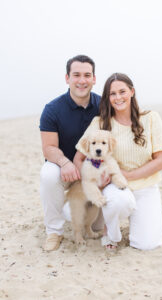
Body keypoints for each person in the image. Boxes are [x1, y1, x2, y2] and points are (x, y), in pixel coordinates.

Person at [73, 73, 162, 250]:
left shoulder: (150, 118)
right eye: (112, 94)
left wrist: (128, 175)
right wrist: (95, 180)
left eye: (122, 91)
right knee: (118, 202)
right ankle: (109, 231)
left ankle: (128, 221)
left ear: (132, 92)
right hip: (115, 186)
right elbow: (78, 158)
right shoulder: (100, 122)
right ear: (107, 98)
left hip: (145, 186)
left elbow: (161, 161)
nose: (118, 97)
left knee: (147, 245)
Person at [39, 55, 104, 251]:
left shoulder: (104, 106)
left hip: (94, 170)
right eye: (76, 75)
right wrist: (65, 163)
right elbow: (48, 147)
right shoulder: (52, 109)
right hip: (66, 169)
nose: (82, 80)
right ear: (67, 78)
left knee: (95, 227)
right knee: (48, 175)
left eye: (87, 75)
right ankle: (54, 231)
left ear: (94, 78)